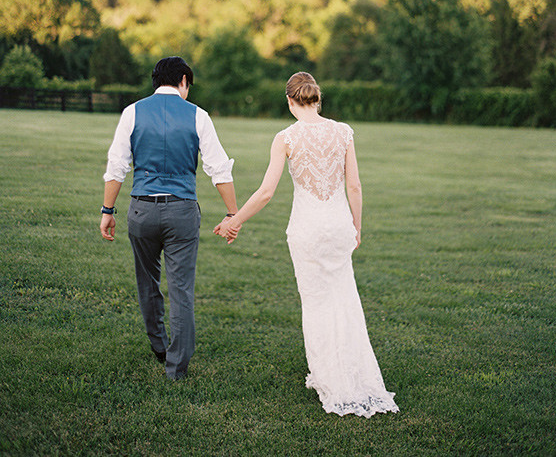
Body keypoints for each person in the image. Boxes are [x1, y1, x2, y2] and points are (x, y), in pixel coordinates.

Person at [215, 71, 399, 417]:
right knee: (344, 299)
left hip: (308, 228)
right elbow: (354, 186)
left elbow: (266, 192)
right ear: (317, 99)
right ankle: (354, 376)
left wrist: (234, 221)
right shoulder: (343, 132)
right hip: (340, 225)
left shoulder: (285, 138)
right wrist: (357, 226)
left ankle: (331, 380)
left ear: (290, 101)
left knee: (316, 304)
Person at [100, 56, 237, 381]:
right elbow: (218, 169)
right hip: (181, 212)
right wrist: (233, 213)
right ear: (184, 80)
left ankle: (159, 346)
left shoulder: (132, 112)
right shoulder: (198, 116)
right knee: (181, 289)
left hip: (142, 210)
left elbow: (117, 166)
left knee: (147, 282)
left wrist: (107, 211)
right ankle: (176, 368)